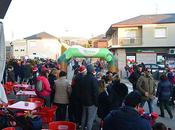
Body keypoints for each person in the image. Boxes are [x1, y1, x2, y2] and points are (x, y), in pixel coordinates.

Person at [80, 64, 99, 130]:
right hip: (91, 102)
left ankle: (82, 128)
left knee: (84, 117)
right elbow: (95, 92)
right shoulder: (94, 79)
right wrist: (96, 102)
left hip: (84, 101)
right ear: (92, 70)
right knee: (90, 119)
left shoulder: (83, 78)